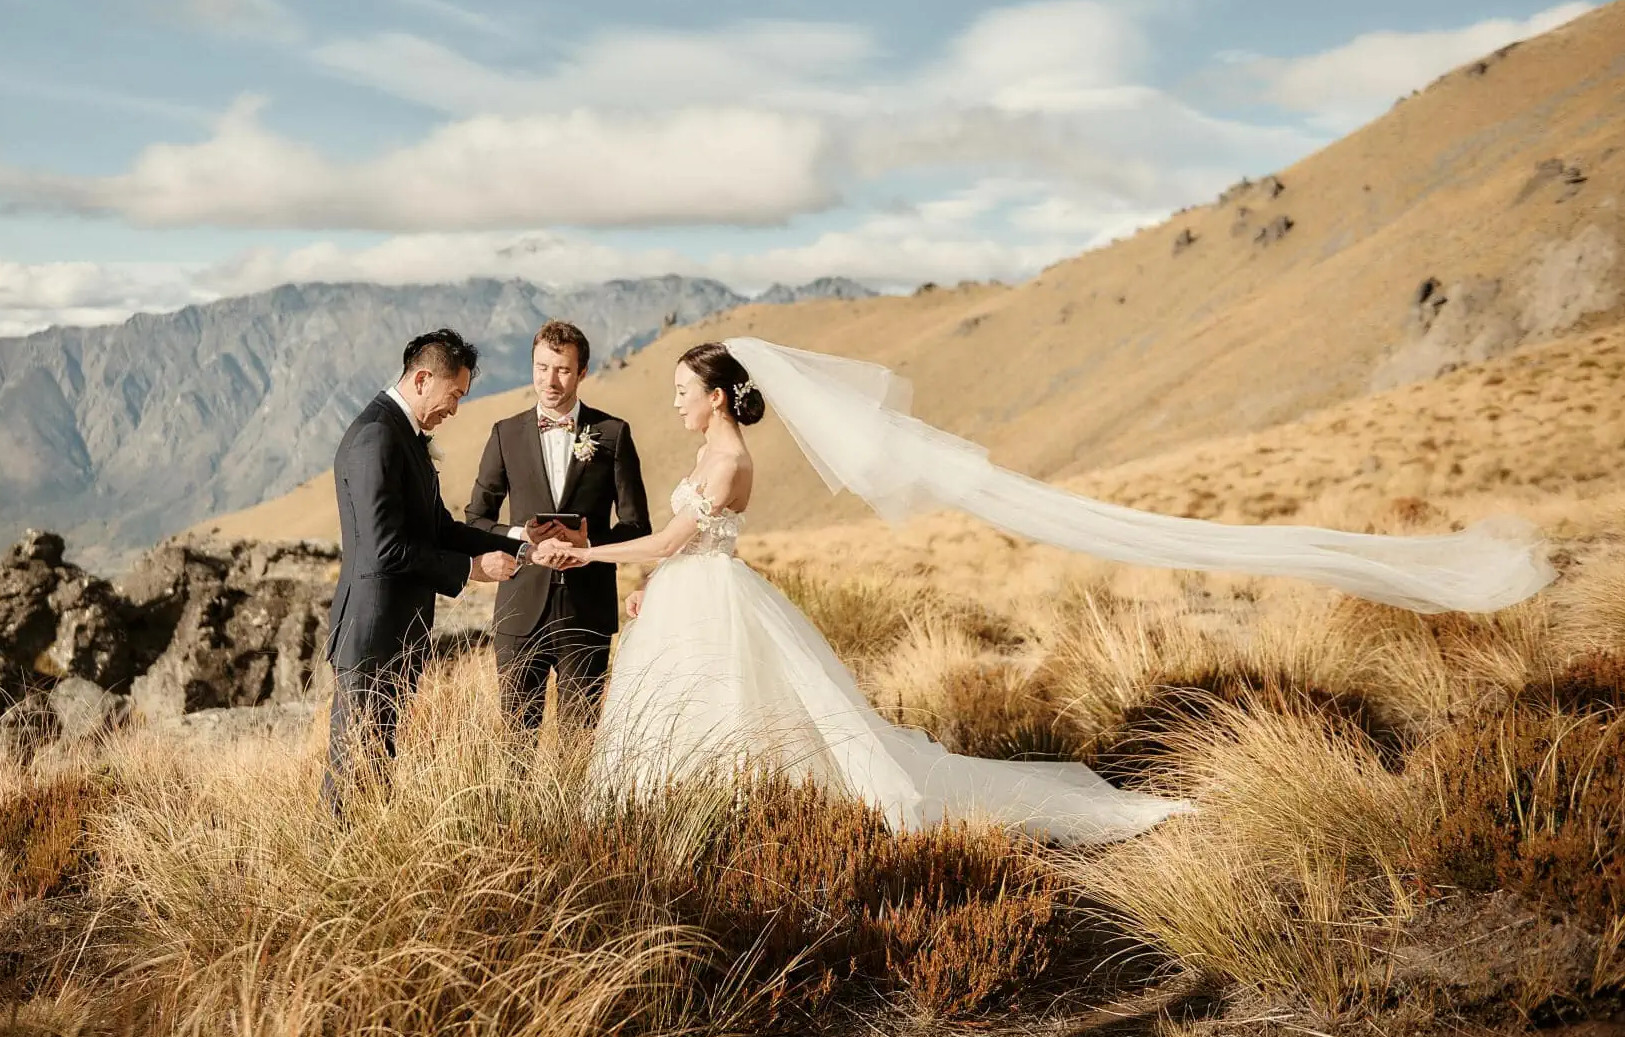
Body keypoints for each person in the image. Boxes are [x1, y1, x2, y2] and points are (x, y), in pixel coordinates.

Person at [538, 339, 1555, 846]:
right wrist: (642, 576)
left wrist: (590, 559)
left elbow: (675, 535)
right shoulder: (710, 450)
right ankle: (719, 827)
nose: (674, 401)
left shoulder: (725, 460)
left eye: (684, 390)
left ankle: (754, 830)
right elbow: (676, 547)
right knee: (724, 718)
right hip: (694, 597)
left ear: (718, 394)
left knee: (747, 716)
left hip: (712, 595)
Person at [321, 329, 521, 813]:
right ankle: (333, 854)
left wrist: (520, 542)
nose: (455, 408)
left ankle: (367, 852)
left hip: (396, 634)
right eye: (455, 394)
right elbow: (384, 550)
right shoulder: (377, 436)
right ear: (423, 379)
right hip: (372, 634)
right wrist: (472, 569)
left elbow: (440, 529)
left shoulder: (403, 435)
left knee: (377, 768)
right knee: (353, 771)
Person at [464, 320, 650, 734]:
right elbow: (476, 519)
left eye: (563, 370)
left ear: (582, 372)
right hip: (519, 610)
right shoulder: (505, 434)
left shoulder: (613, 434)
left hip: (588, 610)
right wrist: (522, 540)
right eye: (541, 367)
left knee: (579, 739)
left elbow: (637, 526)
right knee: (515, 742)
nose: (549, 381)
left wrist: (589, 545)